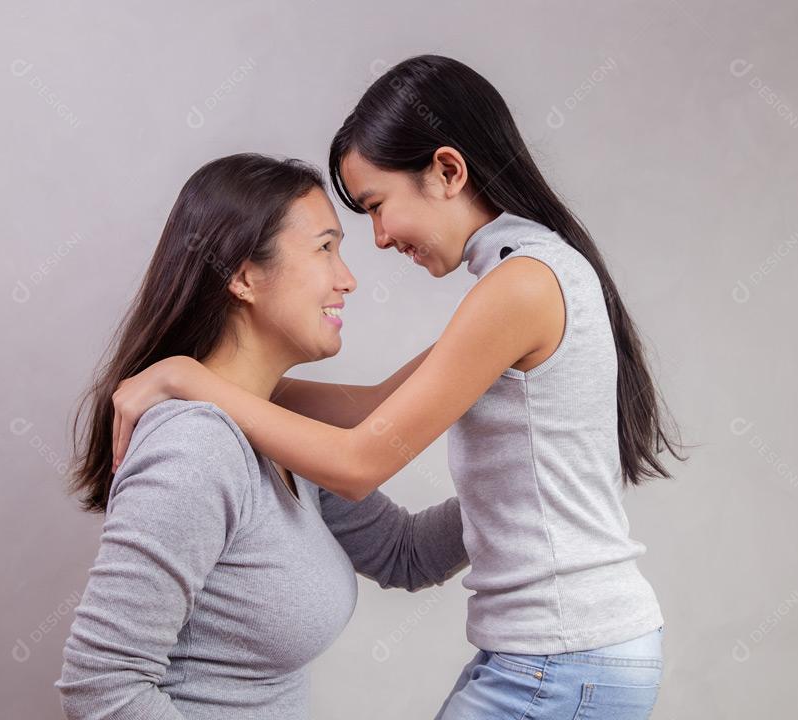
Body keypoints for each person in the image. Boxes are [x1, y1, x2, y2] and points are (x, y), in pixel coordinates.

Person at [110, 55, 688, 719]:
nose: (378, 242)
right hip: (562, 655)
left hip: (561, 658)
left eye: (377, 208)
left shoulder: (522, 287)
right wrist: (224, 384)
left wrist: (186, 377)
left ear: (448, 170)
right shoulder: (529, 274)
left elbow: (357, 461)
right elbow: (371, 406)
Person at [55, 152, 468, 720]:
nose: (347, 279)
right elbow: (100, 684)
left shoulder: (275, 433)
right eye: (325, 248)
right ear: (245, 276)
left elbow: (405, 553)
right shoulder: (196, 448)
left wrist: (527, 487)